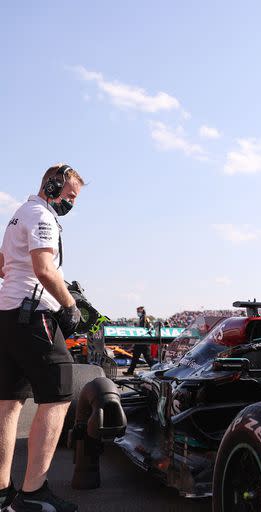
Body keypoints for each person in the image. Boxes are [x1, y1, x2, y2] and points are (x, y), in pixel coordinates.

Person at [0, 163, 85, 512]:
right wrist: (70, 307)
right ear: (52, 186)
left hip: (7, 314)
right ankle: (33, 494)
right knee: (60, 393)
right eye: (70, 196)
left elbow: (4, 264)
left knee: (8, 404)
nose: (71, 204)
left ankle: (3, 493)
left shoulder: (20, 213)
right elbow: (43, 268)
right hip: (33, 315)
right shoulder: (44, 217)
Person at [124, 306, 156, 375]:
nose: (137, 313)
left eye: (138, 312)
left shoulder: (145, 319)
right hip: (141, 341)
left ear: (141, 311)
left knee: (148, 358)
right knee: (135, 357)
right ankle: (130, 371)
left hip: (144, 341)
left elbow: (148, 329)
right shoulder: (141, 319)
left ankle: (155, 369)